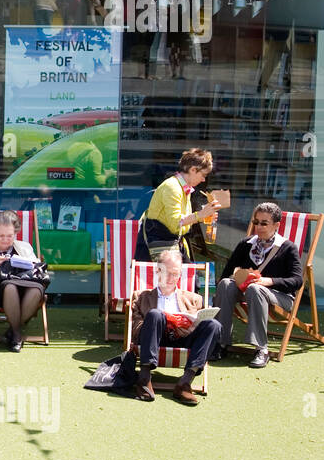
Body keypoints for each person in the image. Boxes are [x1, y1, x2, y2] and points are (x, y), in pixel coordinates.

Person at [214, 202, 302, 368]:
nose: (258, 227)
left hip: (279, 297)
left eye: (264, 223)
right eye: (256, 222)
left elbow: (297, 281)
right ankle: (221, 342)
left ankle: (262, 349)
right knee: (226, 284)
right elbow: (225, 275)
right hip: (248, 292)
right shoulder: (246, 244)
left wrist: (268, 281)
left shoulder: (287, 248)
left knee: (256, 288)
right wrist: (240, 276)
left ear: (276, 225)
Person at [126, 249, 218, 406]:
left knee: (213, 325)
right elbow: (135, 331)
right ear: (158, 270)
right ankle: (144, 378)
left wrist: (186, 326)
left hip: (182, 338)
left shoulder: (194, 299)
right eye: (166, 272)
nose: (171, 278)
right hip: (154, 339)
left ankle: (185, 383)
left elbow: (197, 325)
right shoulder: (141, 297)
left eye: (175, 274)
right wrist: (161, 319)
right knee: (155, 314)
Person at [0, 209, 44, 352]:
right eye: (1, 236)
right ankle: (17, 335)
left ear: (15, 233)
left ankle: (12, 330)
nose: (5, 239)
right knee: (10, 286)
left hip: (26, 287)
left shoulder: (24, 247)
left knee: (37, 289)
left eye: (10, 236)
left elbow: (36, 271)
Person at [134, 148, 221, 262]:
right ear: (193, 169)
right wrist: (201, 214)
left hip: (169, 245)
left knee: (189, 278)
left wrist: (203, 216)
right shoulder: (173, 187)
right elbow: (176, 222)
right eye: (203, 175)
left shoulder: (182, 187)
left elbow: (181, 222)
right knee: (187, 278)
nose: (204, 180)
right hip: (160, 248)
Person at [260, 0, 296, 90]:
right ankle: (264, 82)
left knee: (283, 58)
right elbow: (289, 17)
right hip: (279, 35)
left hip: (275, 35)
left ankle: (284, 80)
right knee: (274, 61)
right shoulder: (285, 1)